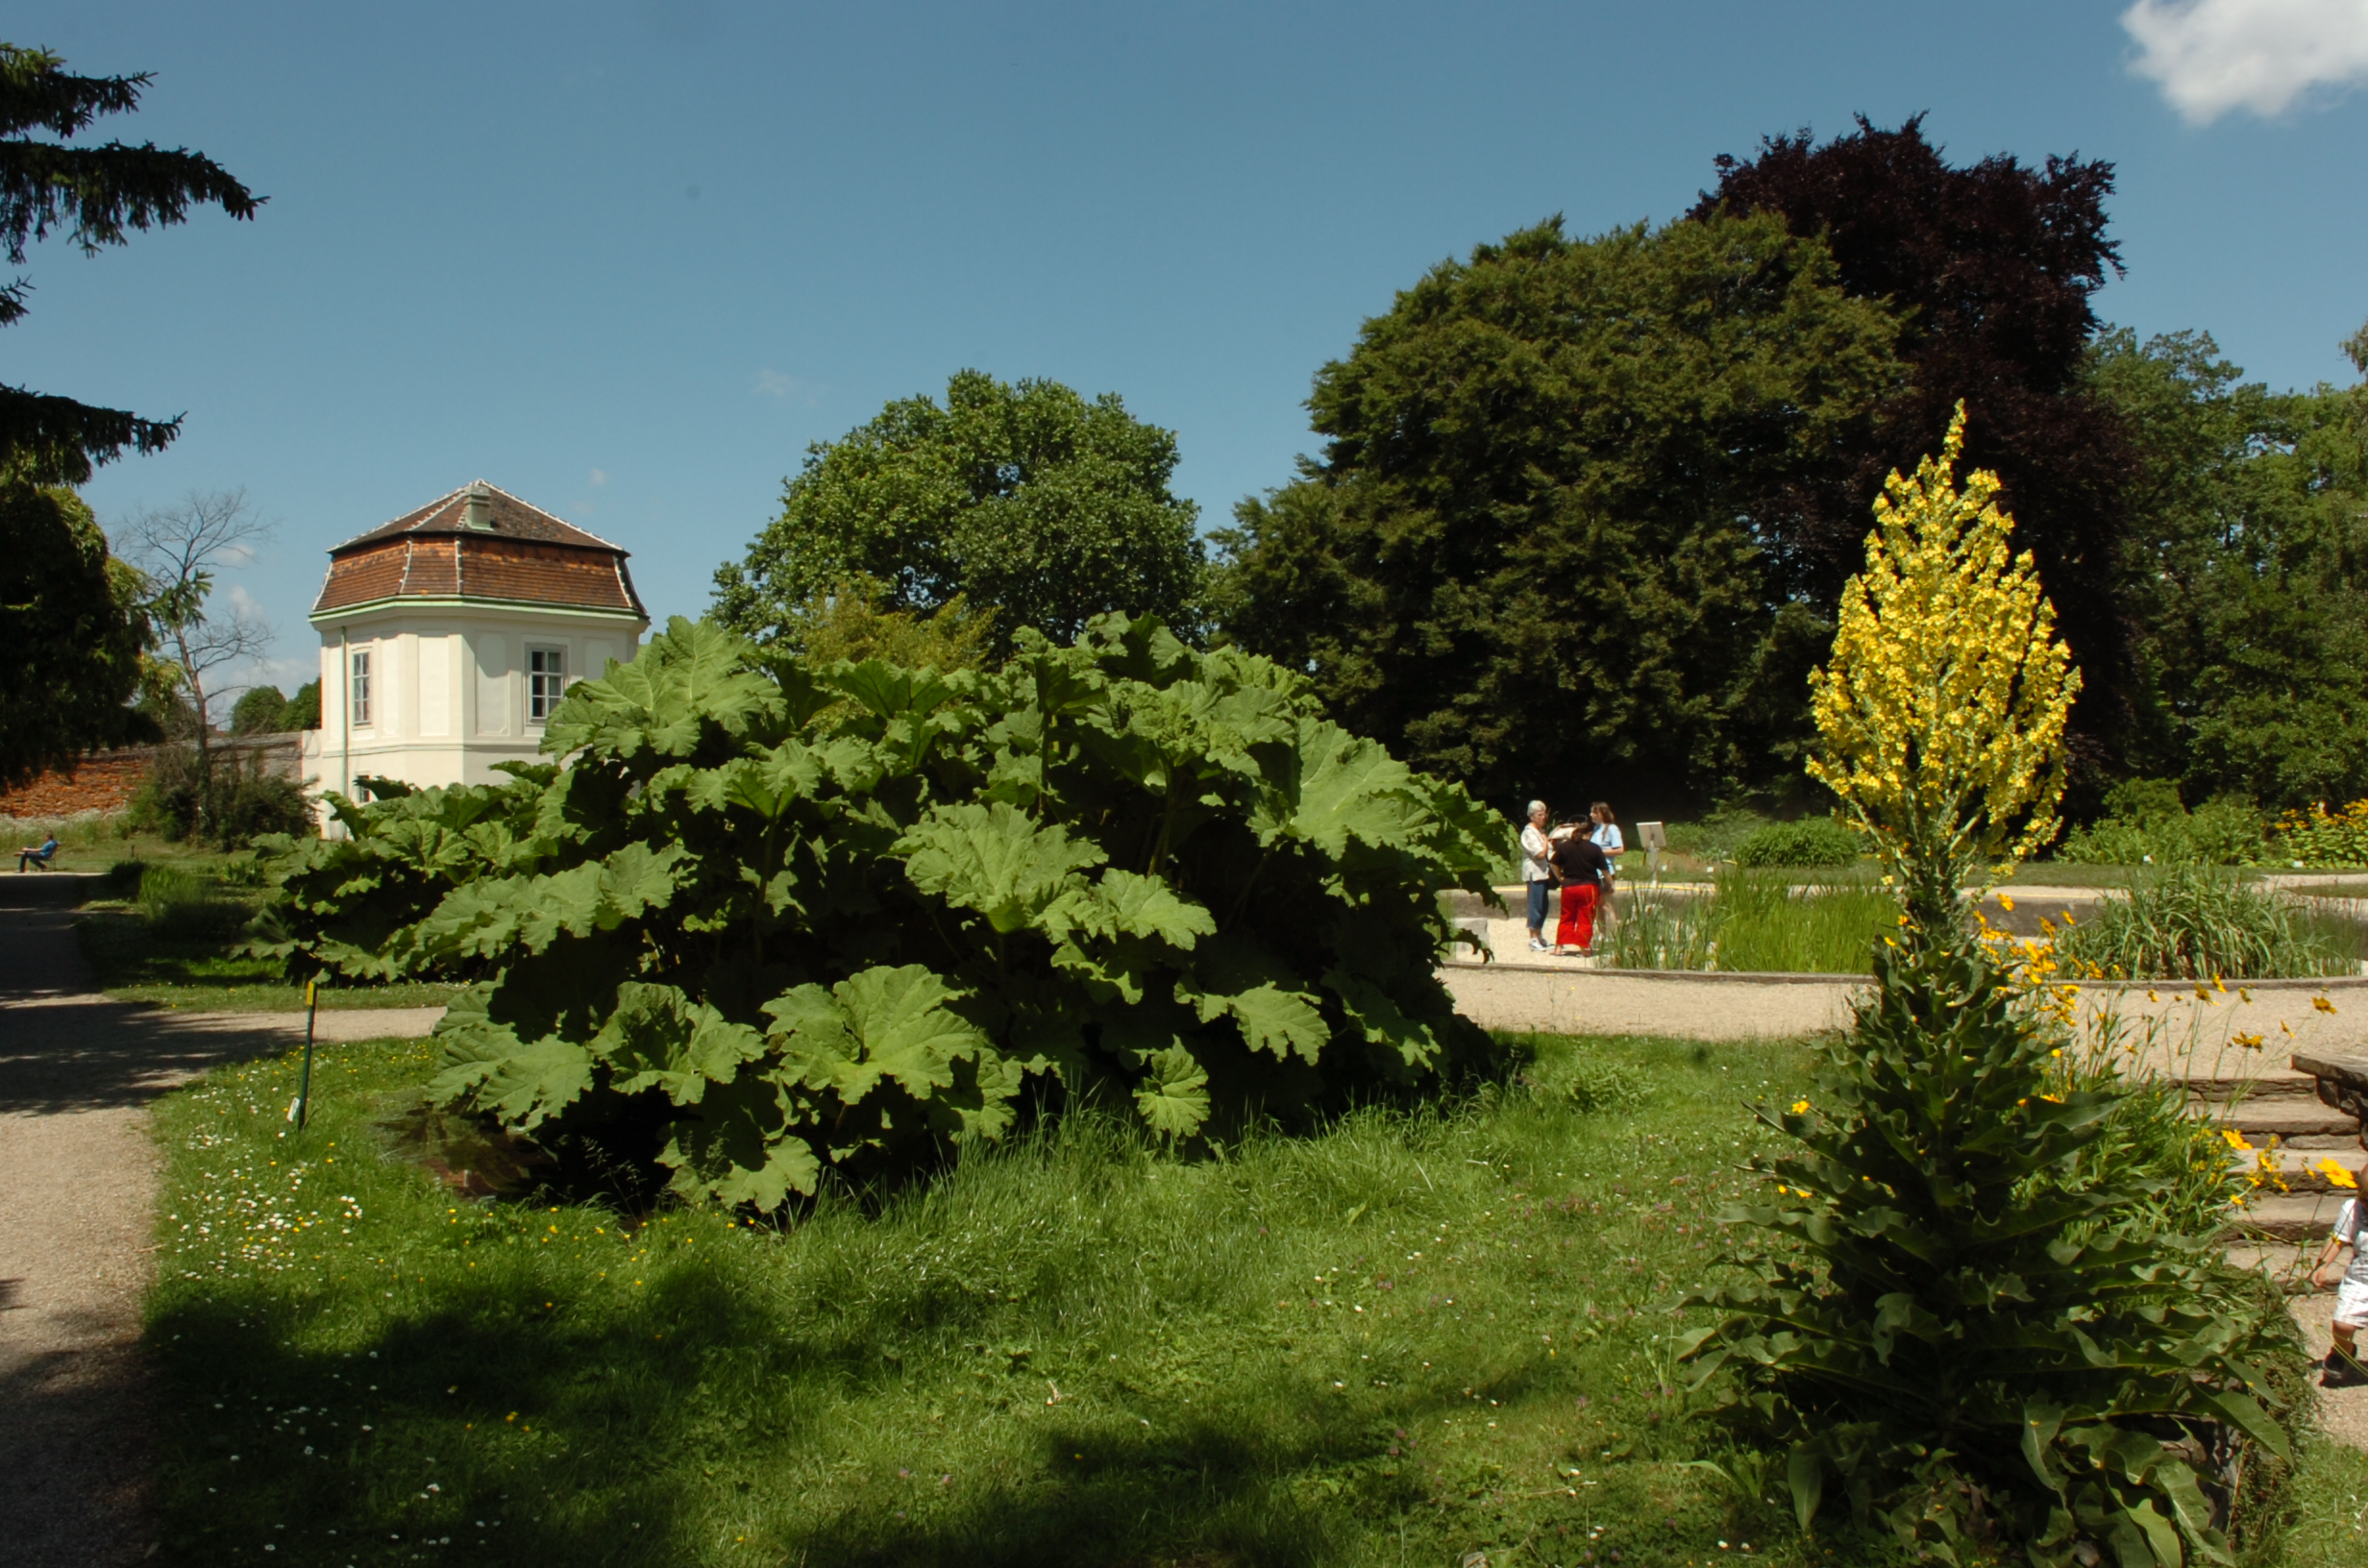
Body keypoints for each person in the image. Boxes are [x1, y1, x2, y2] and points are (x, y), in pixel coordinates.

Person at [2310, 1163, 2368, 1386]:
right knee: (2342, 1324)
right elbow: (2338, 1239)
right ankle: (2343, 1351)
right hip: (2362, 1281)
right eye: (2365, 1198)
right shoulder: (2353, 1209)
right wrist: (2322, 1264)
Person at [1549, 823, 1610, 956]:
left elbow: (1553, 863)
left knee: (1567, 916)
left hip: (1569, 886)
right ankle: (1584, 948)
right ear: (1588, 834)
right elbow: (1605, 870)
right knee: (1586, 917)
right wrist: (1610, 883)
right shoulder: (1594, 848)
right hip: (1588, 887)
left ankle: (1559, 947)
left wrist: (1560, 878)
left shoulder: (1564, 847)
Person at [1519, 801, 1555, 952]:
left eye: (1544, 814)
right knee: (1536, 906)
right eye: (1539, 815)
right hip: (1534, 873)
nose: (1543, 817)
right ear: (1532, 816)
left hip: (1544, 873)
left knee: (1544, 905)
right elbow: (1540, 853)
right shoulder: (1529, 833)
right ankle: (1532, 937)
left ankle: (1539, 935)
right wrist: (1546, 842)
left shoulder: (1540, 832)